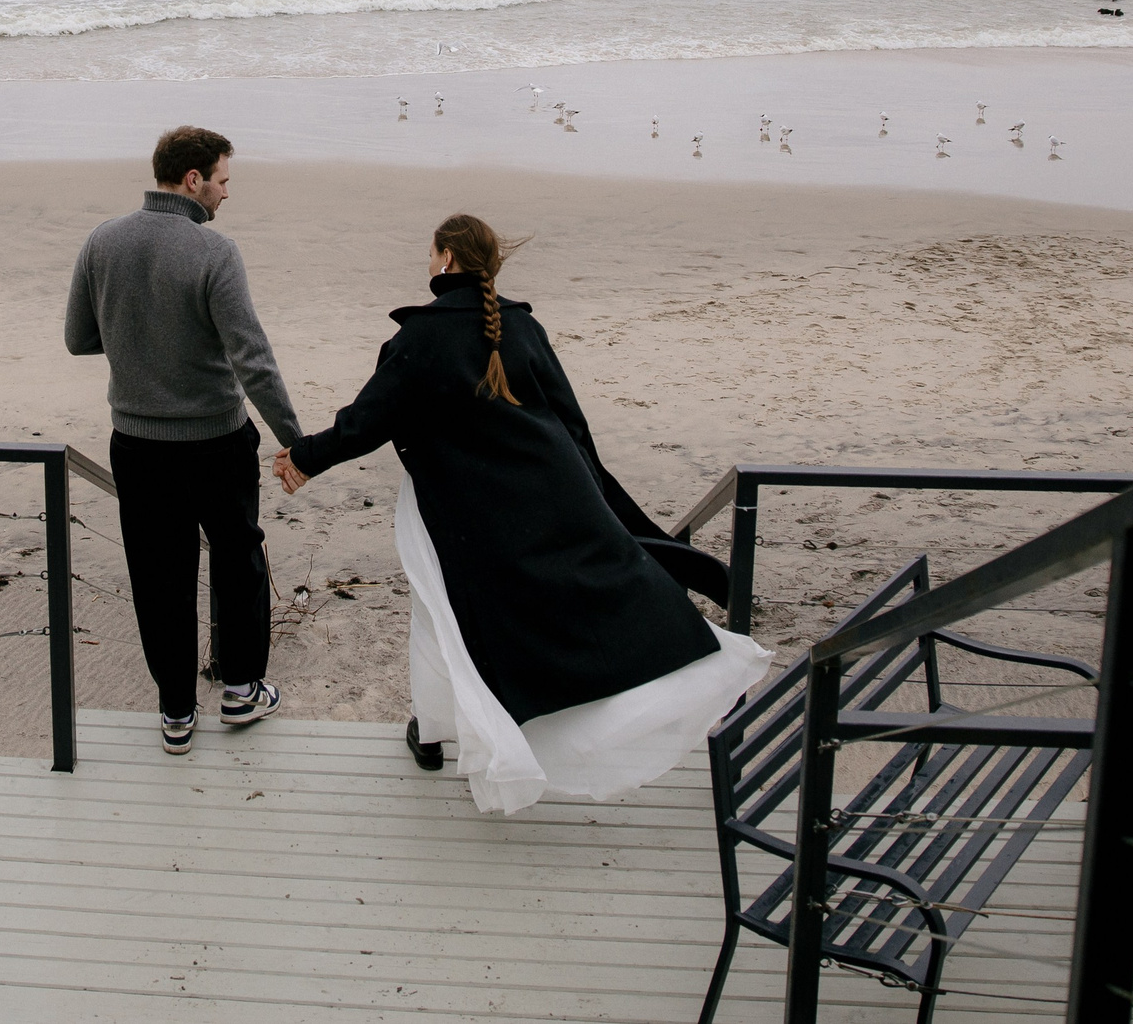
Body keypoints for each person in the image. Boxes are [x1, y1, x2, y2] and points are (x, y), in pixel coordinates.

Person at [274, 214, 769, 813]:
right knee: (557, 612)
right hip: (541, 498)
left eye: (431, 253)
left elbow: (369, 419)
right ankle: (452, 729)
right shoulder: (523, 326)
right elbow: (571, 421)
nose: (427, 262)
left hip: (455, 512)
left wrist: (303, 458)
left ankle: (432, 735)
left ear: (447, 260)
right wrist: (596, 497)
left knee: (438, 615)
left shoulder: (421, 337)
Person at [67, 126, 302, 754]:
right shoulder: (214, 251)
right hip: (217, 442)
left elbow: (78, 339)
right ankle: (242, 690)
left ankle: (175, 710)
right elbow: (252, 358)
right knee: (238, 560)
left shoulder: (103, 241)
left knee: (159, 573)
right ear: (192, 180)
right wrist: (297, 441)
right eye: (224, 180)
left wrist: (140, 344)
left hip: (137, 446)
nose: (228, 194)